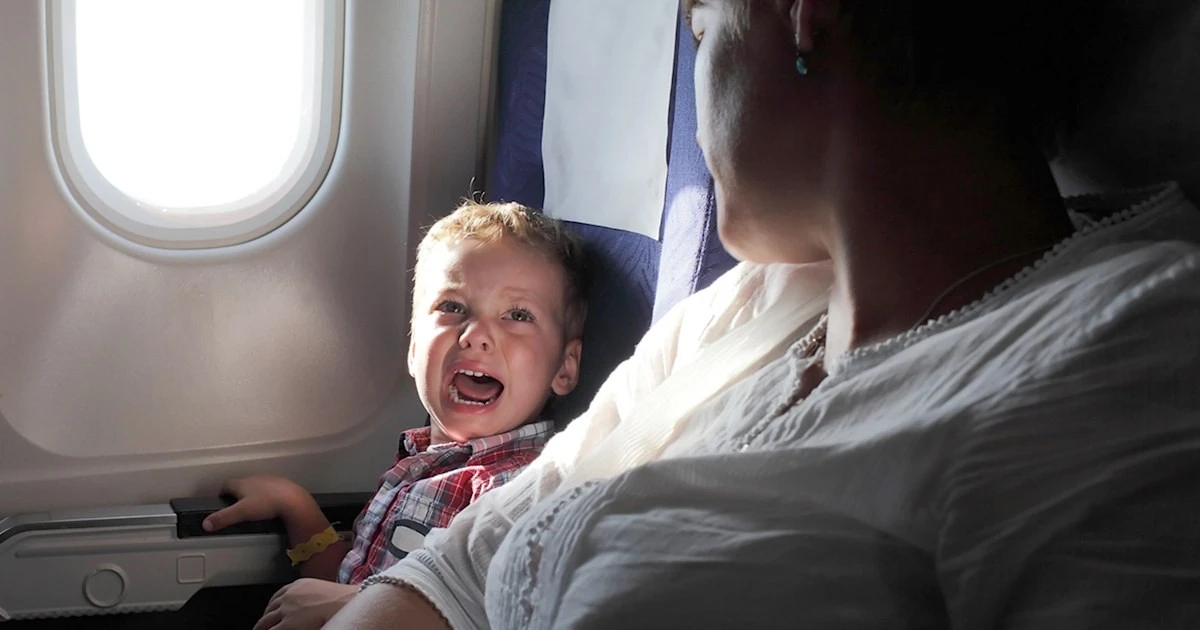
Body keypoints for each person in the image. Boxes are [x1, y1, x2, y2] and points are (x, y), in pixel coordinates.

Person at [330, 0, 1200, 628]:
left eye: (702, 32)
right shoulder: (745, 302)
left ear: (803, 15)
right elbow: (474, 553)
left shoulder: (1131, 351)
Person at [200, 201, 590, 629]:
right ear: (412, 348)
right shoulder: (421, 466)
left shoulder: (524, 490)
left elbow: (493, 614)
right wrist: (299, 510)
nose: (476, 335)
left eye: (518, 315)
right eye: (453, 307)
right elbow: (342, 587)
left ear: (565, 368)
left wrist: (356, 604)